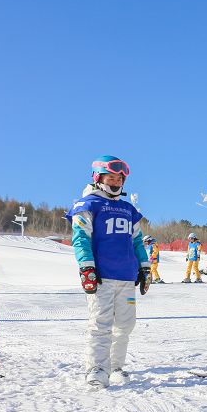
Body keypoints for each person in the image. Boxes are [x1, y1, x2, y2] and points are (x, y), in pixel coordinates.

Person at [66, 155, 150, 387]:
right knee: (101, 324)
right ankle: (96, 367)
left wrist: (144, 267)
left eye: (119, 178)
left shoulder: (128, 209)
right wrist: (86, 267)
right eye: (110, 177)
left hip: (126, 276)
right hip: (101, 275)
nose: (115, 182)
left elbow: (137, 242)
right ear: (98, 177)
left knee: (125, 325)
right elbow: (81, 238)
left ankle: (116, 367)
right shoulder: (87, 205)